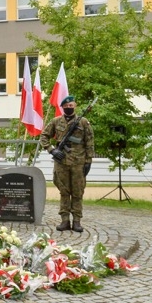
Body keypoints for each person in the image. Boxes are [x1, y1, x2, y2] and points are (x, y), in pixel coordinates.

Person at [39, 95, 95, 233]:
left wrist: (88, 161)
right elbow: (44, 136)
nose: (69, 108)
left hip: (78, 162)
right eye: (66, 106)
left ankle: (77, 221)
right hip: (61, 162)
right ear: (62, 107)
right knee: (64, 192)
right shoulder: (55, 121)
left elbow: (89, 142)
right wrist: (52, 150)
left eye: (71, 106)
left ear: (75, 106)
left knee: (77, 192)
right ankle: (64, 221)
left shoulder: (83, 122)